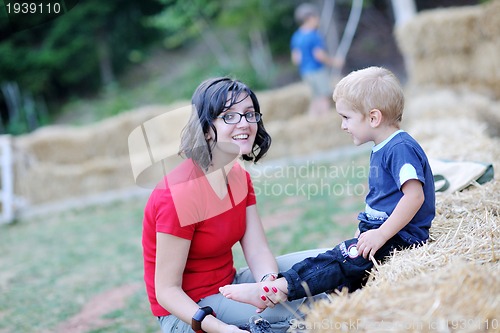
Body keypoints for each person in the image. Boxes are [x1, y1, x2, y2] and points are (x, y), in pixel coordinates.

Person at [219, 66, 436, 311]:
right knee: (341, 267)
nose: (343, 126)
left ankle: (278, 289)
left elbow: (414, 195)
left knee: (338, 261)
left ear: (374, 118)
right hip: (385, 233)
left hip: (401, 238)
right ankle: (301, 295)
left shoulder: (400, 148)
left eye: (346, 117)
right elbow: (382, 199)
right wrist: (366, 227)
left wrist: (381, 233)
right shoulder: (385, 146)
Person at [142, 77, 326, 333]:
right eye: (229, 116)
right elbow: (166, 291)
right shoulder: (177, 194)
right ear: (205, 129)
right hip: (189, 312)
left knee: (327, 267)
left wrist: (267, 285)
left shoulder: (239, 176)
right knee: (312, 308)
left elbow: (258, 250)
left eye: (250, 114)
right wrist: (222, 329)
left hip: (230, 284)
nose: (245, 123)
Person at [290, 3, 344, 116]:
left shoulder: (296, 36)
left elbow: (296, 59)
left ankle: (313, 120)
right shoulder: (314, 35)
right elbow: (319, 55)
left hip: (305, 72)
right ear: (309, 18)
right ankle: (324, 120)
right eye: (316, 17)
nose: (318, 20)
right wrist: (335, 62)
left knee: (315, 98)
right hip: (317, 70)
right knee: (324, 97)